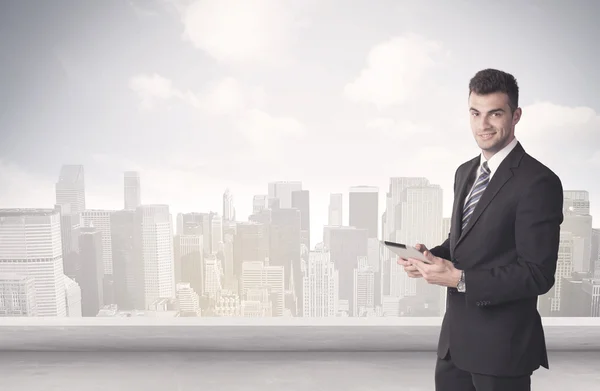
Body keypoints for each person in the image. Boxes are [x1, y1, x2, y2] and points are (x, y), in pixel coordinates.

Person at [398, 68, 564, 391]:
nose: (483, 125)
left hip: (501, 352)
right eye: (475, 113)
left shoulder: (539, 182)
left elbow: (537, 274)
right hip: (453, 349)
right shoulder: (465, 172)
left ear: (516, 116)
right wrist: (430, 257)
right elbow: (464, 243)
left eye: (494, 114)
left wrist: (459, 279)